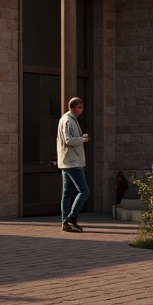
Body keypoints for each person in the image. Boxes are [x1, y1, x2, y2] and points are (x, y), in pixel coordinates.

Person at [56, 96, 89, 232]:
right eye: (79, 107)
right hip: (72, 162)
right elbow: (69, 140)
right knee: (84, 191)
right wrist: (83, 139)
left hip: (67, 161)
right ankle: (71, 218)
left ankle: (65, 223)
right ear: (72, 107)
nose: (81, 110)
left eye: (82, 107)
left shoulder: (69, 119)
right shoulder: (68, 120)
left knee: (66, 193)